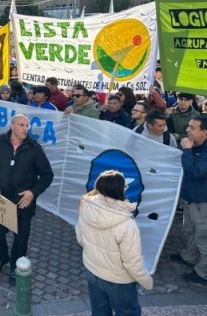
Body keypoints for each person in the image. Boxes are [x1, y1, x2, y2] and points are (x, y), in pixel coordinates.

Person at [0, 114, 54, 286]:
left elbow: (47, 175)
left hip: (23, 203)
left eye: (27, 126)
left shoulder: (34, 148)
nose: (25, 128)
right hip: (0, 201)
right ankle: (2, 257)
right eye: (21, 125)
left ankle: (16, 266)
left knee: (21, 240)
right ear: (12, 125)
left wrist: (33, 192)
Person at [76, 170, 153, 315]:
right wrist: (146, 281)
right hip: (118, 280)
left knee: (99, 311)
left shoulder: (86, 207)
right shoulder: (127, 225)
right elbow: (132, 262)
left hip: (92, 271)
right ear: (120, 190)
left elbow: (80, 238)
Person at [171, 114, 207, 284]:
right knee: (190, 230)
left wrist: (186, 151)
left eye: (192, 128)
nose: (187, 130)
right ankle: (190, 257)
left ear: (205, 133)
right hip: (191, 198)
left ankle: (203, 272)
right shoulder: (196, 146)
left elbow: (195, 172)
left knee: (203, 237)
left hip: (202, 202)